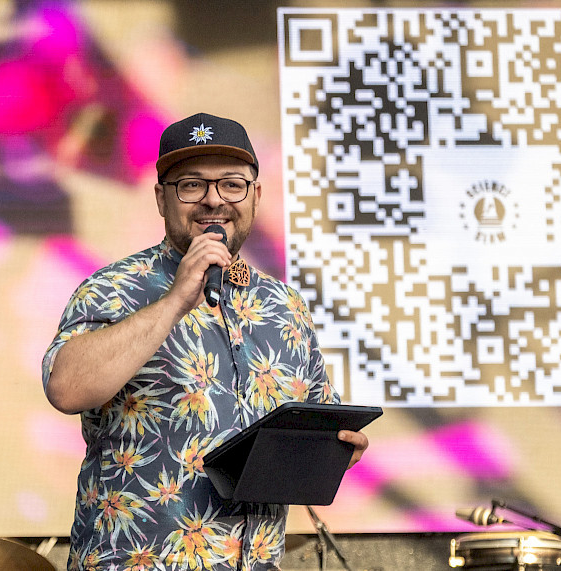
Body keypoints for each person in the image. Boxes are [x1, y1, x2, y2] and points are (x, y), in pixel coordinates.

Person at [42, 113, 369, 571]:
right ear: (162, 198)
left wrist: (334, 451)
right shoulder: (113, 289)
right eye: (192, 185)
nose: (214, 199)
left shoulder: (285, 306)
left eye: (232, 184)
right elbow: (66, 389)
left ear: (255, 196)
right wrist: (176, 299)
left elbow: (313, 421)